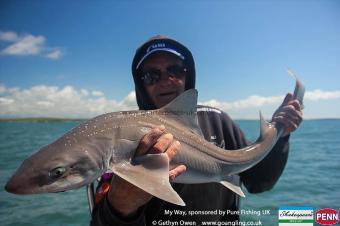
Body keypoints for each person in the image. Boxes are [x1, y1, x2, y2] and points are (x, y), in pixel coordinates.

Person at [90, 35, 303, 226]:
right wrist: (121, 206)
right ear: (141, 83)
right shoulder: (120, 136)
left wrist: (280, 136)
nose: (166, 80)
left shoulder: (217, 120)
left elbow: (259, 182)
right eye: (152, 75)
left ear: (188, 74)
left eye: (175, 69)